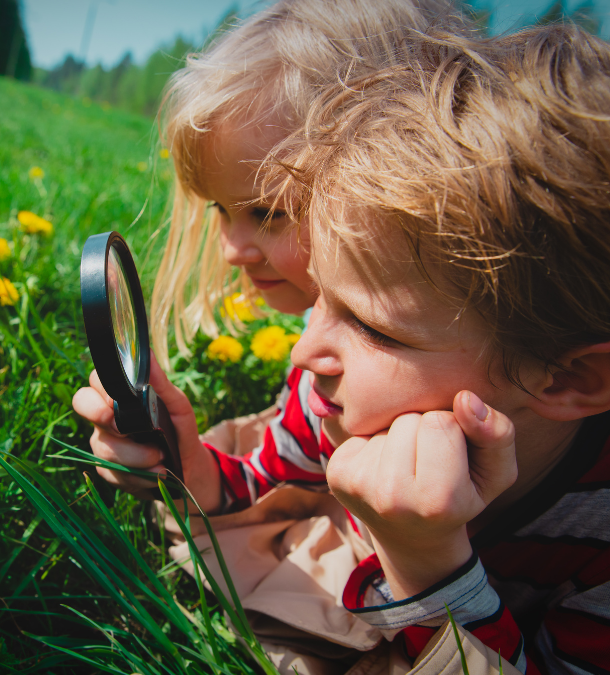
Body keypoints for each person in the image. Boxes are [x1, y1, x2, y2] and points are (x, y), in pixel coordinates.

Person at [254, 23, 610, 673]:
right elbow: (265, 473)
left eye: (373, 327)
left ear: (568, 378)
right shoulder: (333, 395)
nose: (305, 352)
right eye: (320, 297)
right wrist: (179, 466)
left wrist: (426, 564)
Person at [74, 0, 470, 506]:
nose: (231, 249)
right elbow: (271, 479)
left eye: (268, 212)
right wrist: (185, 465)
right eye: (220, 209)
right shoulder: (317, 373)